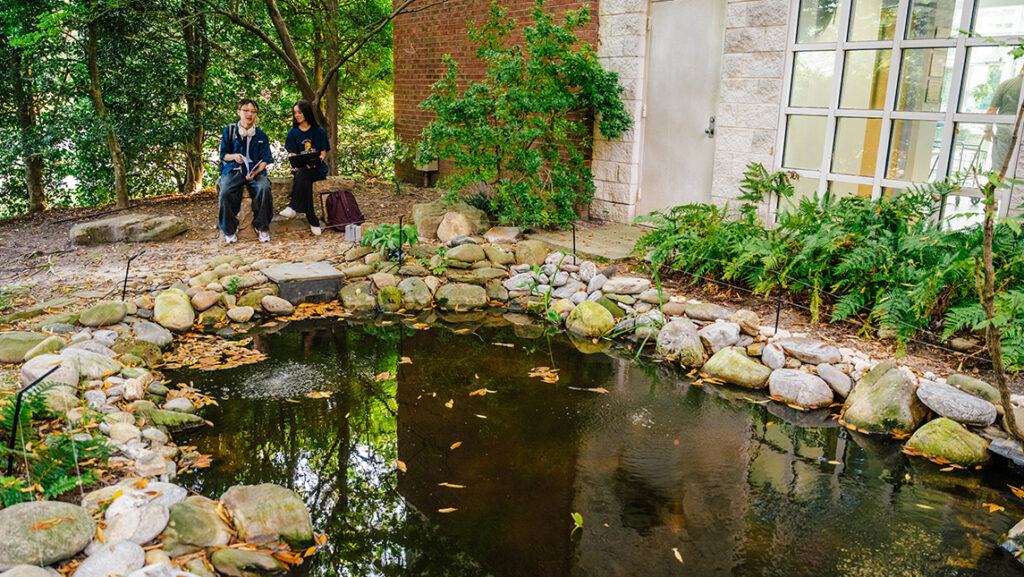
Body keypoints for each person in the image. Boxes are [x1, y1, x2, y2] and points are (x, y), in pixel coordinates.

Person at [218, 98, 274, 243]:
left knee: (264, 188)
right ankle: (230, 228)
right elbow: (224, 155)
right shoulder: (229, 131)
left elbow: (265, 159)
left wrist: (255, 172)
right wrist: (234, 156)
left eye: (253, 111)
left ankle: (262, 226)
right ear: (239, 112)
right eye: (246, 110)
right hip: (233, 170)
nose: (249, 114)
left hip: (254, 172)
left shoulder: (261, 135)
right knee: (225, 191)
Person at [280, 100, 331, 235]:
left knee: (304, 175)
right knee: (304, 177)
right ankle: (312, 219)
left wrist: (317, 161)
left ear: (306, 113)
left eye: (300, 112)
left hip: (317, 169)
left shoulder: (318, 131)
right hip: (302, 170)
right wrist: (296, 165)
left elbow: (323, 152)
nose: (297, 115)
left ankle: (293, 207)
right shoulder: (292, 133)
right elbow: (293, 154)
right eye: (295, 113)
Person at [985, 65, 1023, 173]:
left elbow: (991, 110)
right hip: (1021, 136)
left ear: (1021, 68)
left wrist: (988, 130)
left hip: (1004, 133)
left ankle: (1000, 189)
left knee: (999, 170)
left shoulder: (1006, 84)